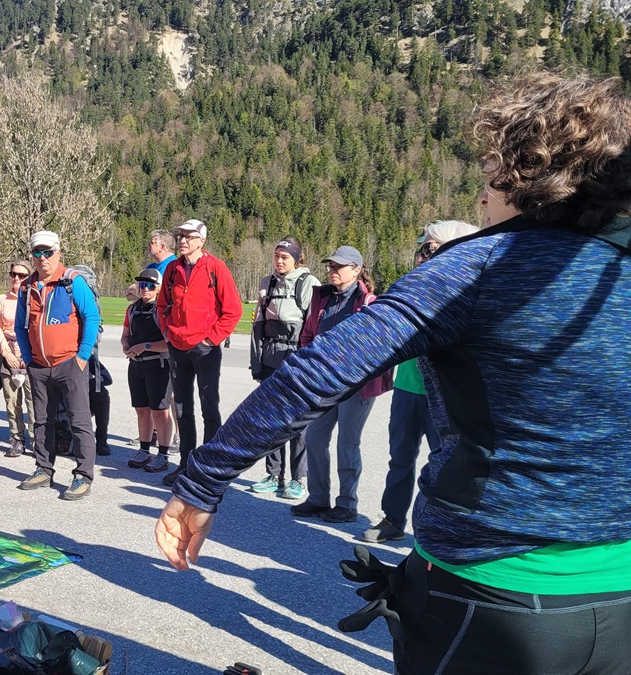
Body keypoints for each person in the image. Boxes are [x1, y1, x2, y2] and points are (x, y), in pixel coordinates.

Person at [156, 71, 631, 675]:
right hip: (620, 595)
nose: (481, 194)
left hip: (494, 591)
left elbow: (318, 371)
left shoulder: (477, 267)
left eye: (489, 174)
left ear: (525, 169)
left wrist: (202, 480)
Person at [361, 221, 478, 544]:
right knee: (400, 457)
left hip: (447, 394)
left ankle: (436, 531)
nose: (422, 257)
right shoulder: (414, 285)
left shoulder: (467, 289)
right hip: (408, 387)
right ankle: (393, 519)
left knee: (447, 463)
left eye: (430, 250)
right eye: (421, 250)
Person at [285, 246, 390, 523]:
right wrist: (311, 364)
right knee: (315, 438)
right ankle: (318, 499)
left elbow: (376, 347)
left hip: (356, 386)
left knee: (347, 443)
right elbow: (307, 335)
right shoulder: (322, 297)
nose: (332, 271)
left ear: (356, 270)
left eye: (339, 267)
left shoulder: (368, 302)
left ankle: (347, 504)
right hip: (325, 383)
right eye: (331, 266)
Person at [14, 230, 101, 500]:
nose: (42, 258)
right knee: (41, 420)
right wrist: (29, 359)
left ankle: (83, 475)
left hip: (69, 363)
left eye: (48, 252)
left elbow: (92, 318)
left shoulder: (72, 282)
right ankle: (43, 468)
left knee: (79, 421)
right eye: (37, 253)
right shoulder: (27, 287)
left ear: (58, 252)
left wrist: (82, 357)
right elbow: (19, 325)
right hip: (39, 366)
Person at [157, 219, 242, 487]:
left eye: (189, 237)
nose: (182, 240)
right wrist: (168, 332)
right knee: (182, 407)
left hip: (205, 350)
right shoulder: (172, 269)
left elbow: (233, 310)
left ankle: (210, 468)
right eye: (180, 236)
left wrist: (211, 339)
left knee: (209, 407)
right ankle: (185, 464)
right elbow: (162, 305)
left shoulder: (216, 268)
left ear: (201, 241)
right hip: (178, 347)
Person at [247, 237, 319, 500]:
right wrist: (256, 363)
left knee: (298, 423)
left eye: (284, 257)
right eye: (276, 255)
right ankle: (273, 474)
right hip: (270, 357)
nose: (279, 261)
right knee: (271, 420)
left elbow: (314, 329)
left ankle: (298, 478)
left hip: (295, 357)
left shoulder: (309, 284)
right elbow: (258, 327)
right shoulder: (267, 283)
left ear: (297, 258)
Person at [122, 268, 173, 473]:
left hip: (158, 365)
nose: (145, 289)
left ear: (158, 288)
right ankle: (144, 449)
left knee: (160, 411)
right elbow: (125, 335)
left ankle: (163, 453)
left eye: (150, 286)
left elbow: (169, 343)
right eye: (142, 285)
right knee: (141, 410)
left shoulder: (163, 311)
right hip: (136, 365)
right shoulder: (132, 310)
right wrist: (126, 346)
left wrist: (146, 346)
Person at [0, 260, 35, 458]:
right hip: (8, 353)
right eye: (13, 274)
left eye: (21, 275)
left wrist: (28, 354)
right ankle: (17, 438)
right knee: (11, 400)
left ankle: (37, 439)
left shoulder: (35, 298)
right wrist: (6, 352)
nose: (16, 278)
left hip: (30, 356)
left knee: (33, 400)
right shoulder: (3, 299)